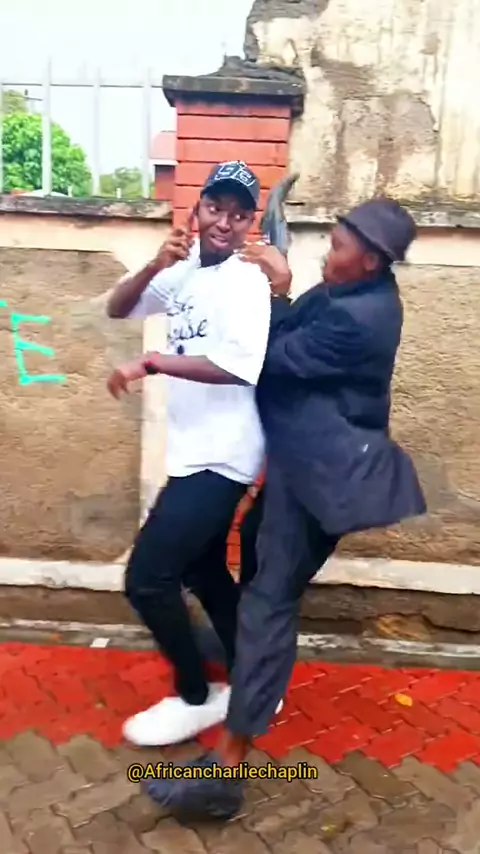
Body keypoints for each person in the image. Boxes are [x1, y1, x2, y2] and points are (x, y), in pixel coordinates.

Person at [108, 196, 427, 820]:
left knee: (267, 603)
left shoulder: (361, 317)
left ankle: (227, 771)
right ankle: (251, 669)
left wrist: (278, 291)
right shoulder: (346, 289)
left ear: (370, 260)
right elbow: (285, 333)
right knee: (252, 581)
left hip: (321, 483)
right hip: (294, 470)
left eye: (338, 246)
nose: (327, 253)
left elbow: (266, 361)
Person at [106, 160, 292, 748]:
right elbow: (118, 307)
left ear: (248, 224)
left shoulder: (246, 282)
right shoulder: (182, 270)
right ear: (197, 209)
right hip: (192, 452)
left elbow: (238, 366)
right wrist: (153, 265)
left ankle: (195, 693)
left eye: (239, 215)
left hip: (225, 454)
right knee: (203, 570)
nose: (224, 223)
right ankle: (254, 678)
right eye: (215, 208)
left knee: (147, 579)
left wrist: (153, 361)